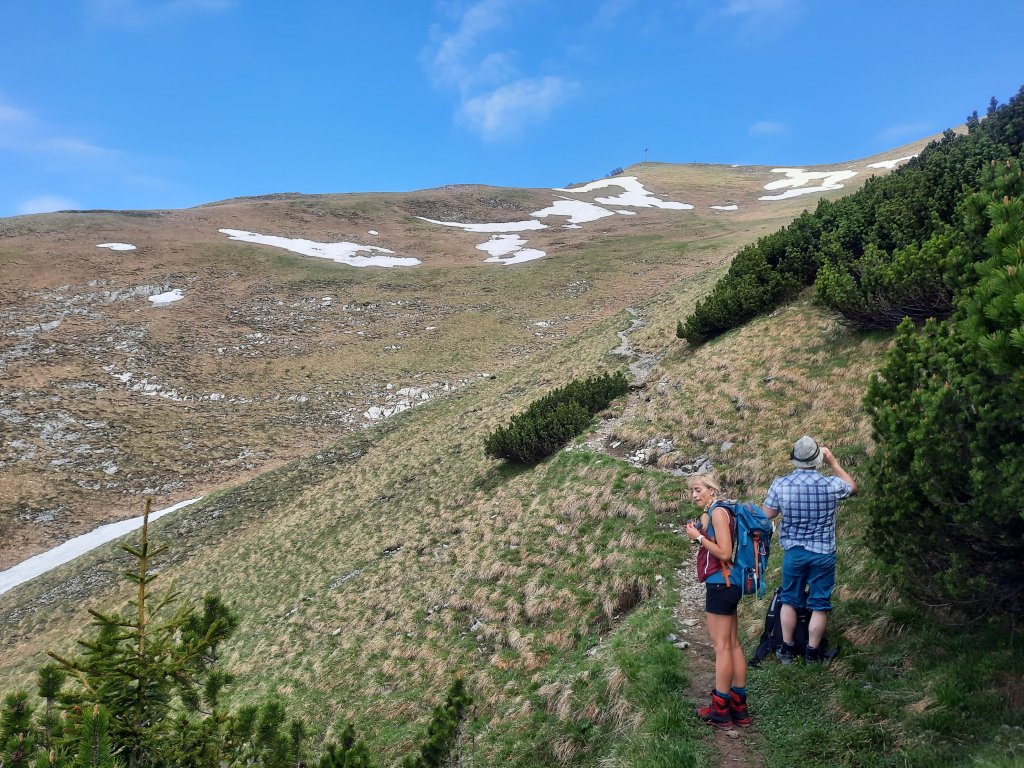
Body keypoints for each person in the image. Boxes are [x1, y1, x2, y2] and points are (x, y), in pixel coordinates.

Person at [762, 436, 857, 663]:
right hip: (823, 553)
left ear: (794, 459)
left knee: (789, 599)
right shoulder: (830, 485)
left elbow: (767, 515)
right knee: (819, 604)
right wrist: (833, 463)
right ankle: (813, 653)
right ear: (818, 458)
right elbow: (853, 488)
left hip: (794, 552)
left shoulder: (780, 484)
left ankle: (787, 649)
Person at [685, 474, 749, 728]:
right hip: (729, 582)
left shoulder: (719, 513)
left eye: (698, 489)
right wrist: (700, 529)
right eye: (692, 491)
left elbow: (724, 551)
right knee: (732, 645)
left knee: (722, 647)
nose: (694, 495)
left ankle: (721, 708)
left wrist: (699, 538)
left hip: (721, 584)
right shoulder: (717, 511)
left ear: (711, 490)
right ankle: (739, 707)